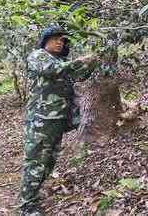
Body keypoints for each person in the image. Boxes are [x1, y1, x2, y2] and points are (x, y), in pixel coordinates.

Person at [19, 25, 97, 216]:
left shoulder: (62, 61)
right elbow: (51, 70)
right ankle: (26, 206)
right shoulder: (38, 56)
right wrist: (81, 60)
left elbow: (78, 76)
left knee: (48, 162)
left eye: (62, 40)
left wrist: (93, 62)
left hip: (58, 120)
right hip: (40, 121)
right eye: (55, 39)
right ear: (45, 41)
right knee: (35, 162)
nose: (60, 42)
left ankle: (33, 195)